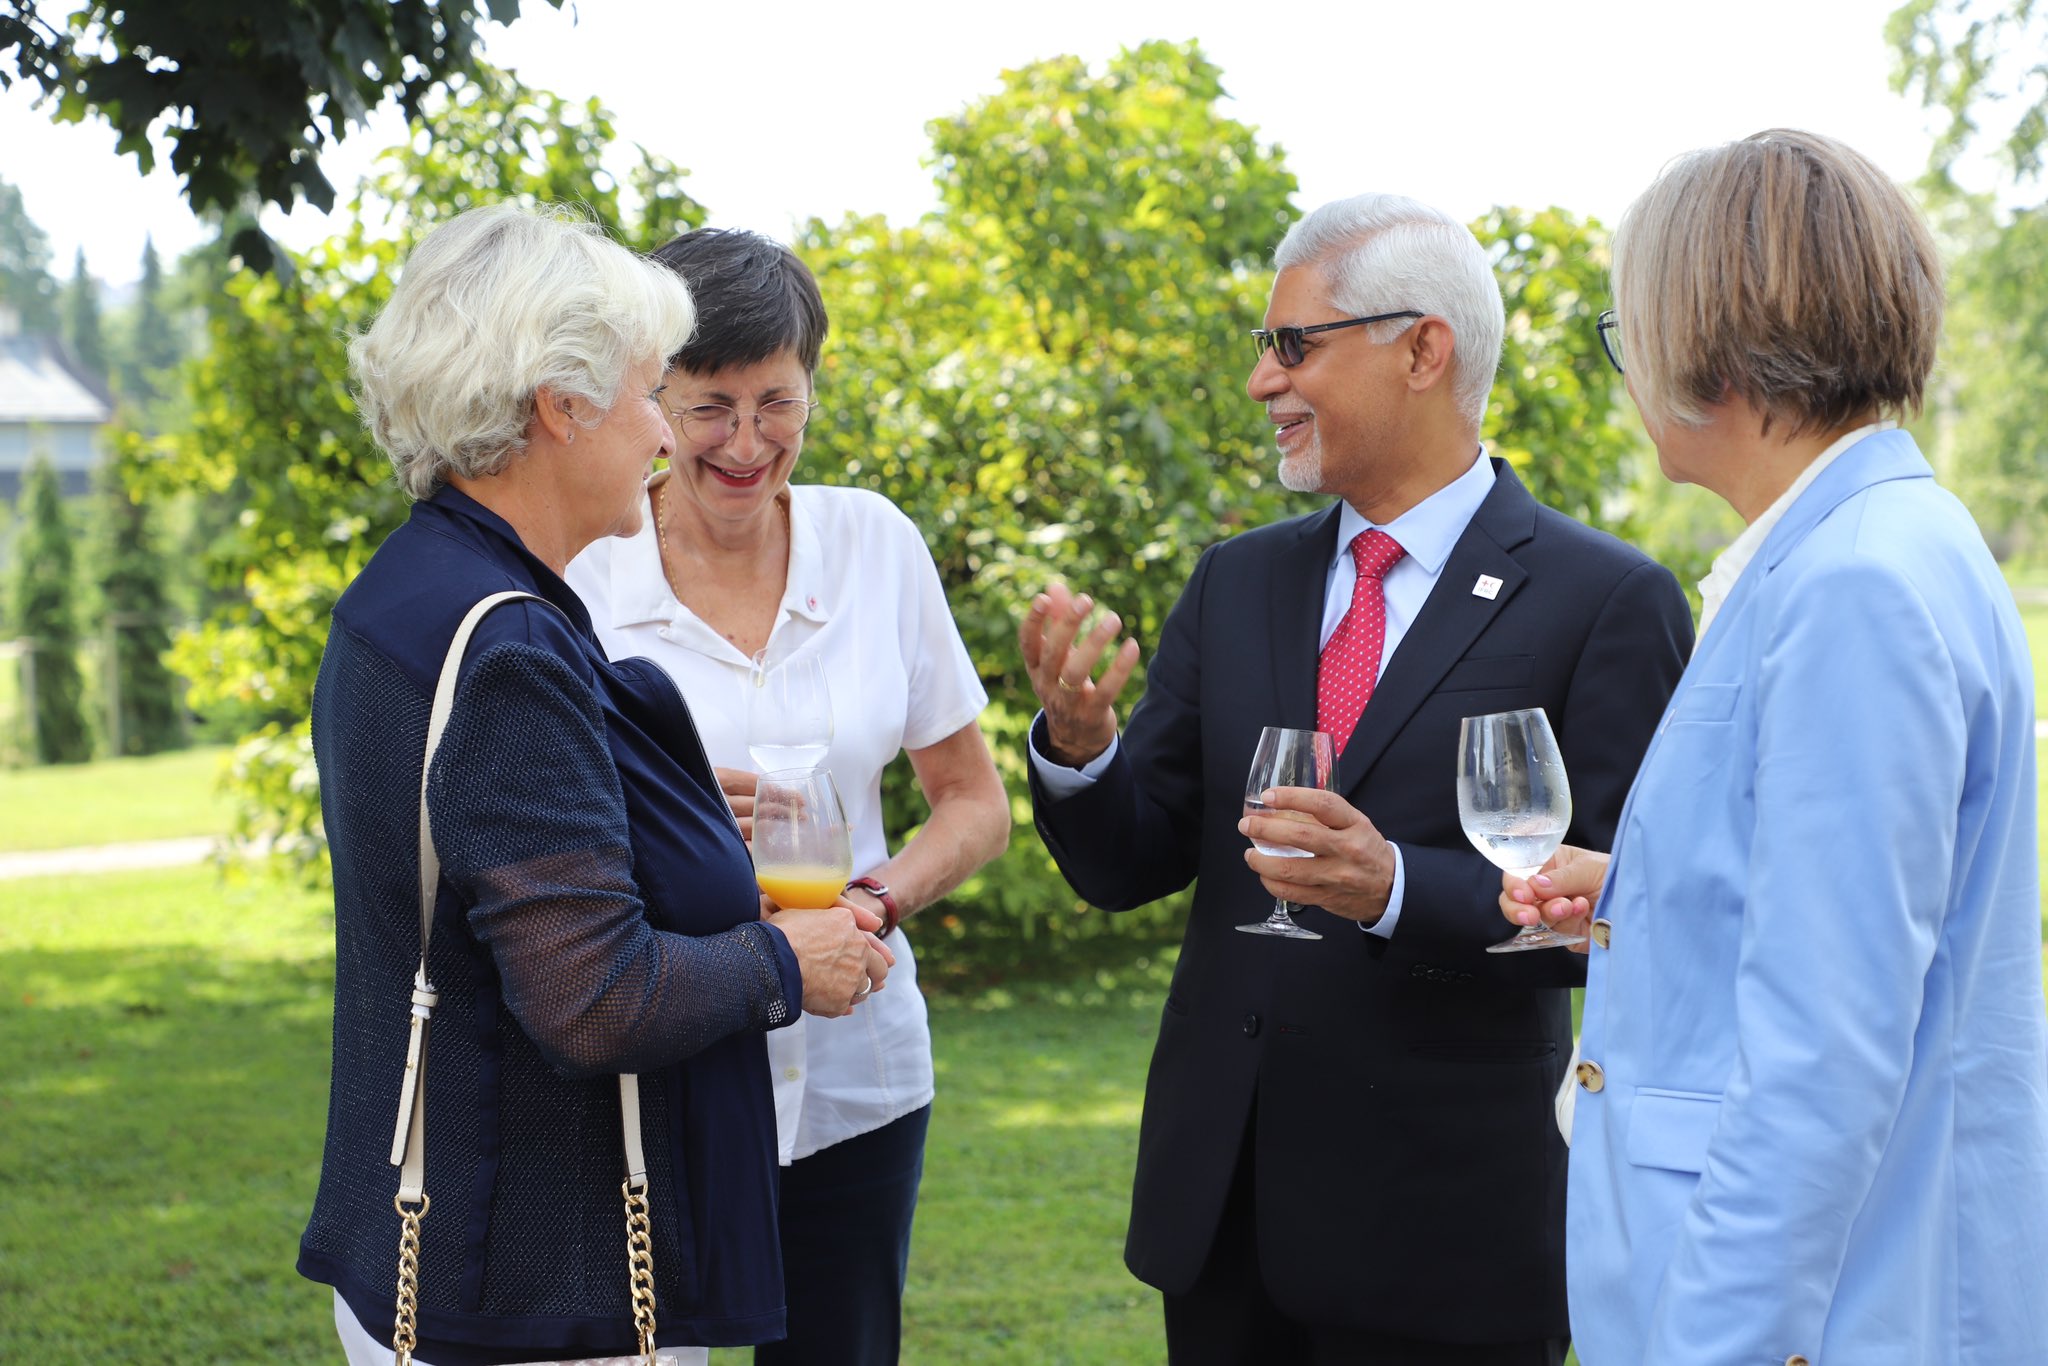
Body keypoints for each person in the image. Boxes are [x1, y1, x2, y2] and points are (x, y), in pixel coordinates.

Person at [1019, 192, 1693, 1364]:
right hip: (1222, 1216)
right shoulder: (1237, 583)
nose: (1261, 382)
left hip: (1449, 1234)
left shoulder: (1604, 600)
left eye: (1293, 346)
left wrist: (1389, 886)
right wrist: (1079, 751)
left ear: (1420, 348)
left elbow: (1625, 921)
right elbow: (1134, 855)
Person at [298, 203, 891, 1366]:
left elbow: (458, 857)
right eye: (643, 392)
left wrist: (634, 814)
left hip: (427, 1239)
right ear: (557, 409)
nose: (661, 436)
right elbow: (594, 999)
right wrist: (787, 961)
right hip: (532, 1283)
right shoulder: (508, 646)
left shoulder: (406, 587)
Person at [1501, 129, 2048, 1365]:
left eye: (1624, 334)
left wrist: (1714, 1345)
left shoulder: (1853, 583)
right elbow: (1842, 910)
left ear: (1711, 343)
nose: (1626, 370)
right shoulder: (1870, 544)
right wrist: (1638, 904)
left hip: (1833, 1310)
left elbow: (1823, 1053)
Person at [565, 227, 1009, 1365]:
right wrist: (652, 811)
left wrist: (873, 901)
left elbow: (970, 802)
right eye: (711, 406)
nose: (747, 444)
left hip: (858, 1074)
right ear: (651, 395)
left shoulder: (875, 543)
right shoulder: (581, 571)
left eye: (779, 402)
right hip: (655, 1071)